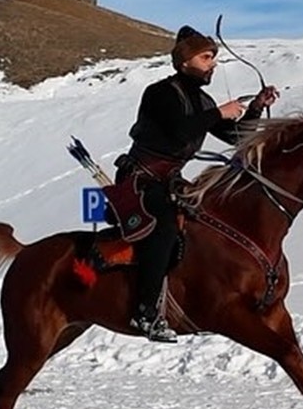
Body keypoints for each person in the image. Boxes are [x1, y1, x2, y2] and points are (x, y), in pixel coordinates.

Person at [113, 25, 279, 342]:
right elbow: (179, 130)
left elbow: (236, 137)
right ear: (185, 61)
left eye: (213, 57)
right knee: (165, 228)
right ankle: (145, 313)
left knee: (209, 223)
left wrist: (256, 107)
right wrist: (219, 112)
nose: (212, 64)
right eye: (206, 57)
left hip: (170, 181)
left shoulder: (202, 100)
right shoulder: (160, 93)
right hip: (140, 180)